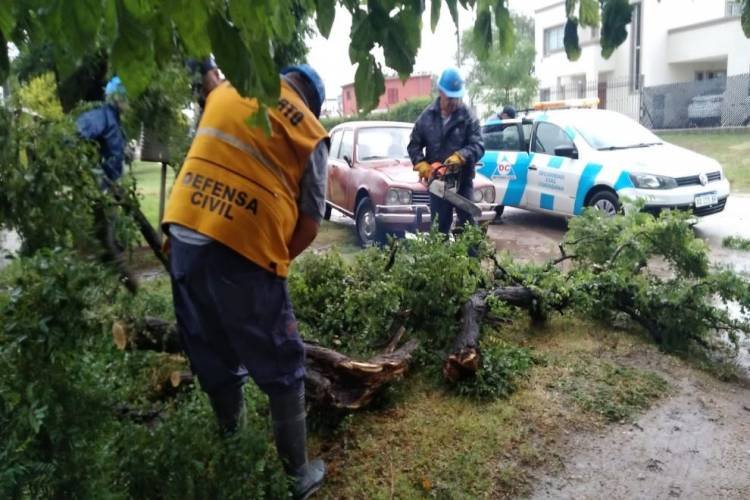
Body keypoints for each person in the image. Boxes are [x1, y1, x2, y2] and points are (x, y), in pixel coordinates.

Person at [161, 63, 329, 500]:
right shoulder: (308, 129)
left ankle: (235, 449)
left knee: (210, 348)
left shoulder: (229, 90)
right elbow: (310, 224)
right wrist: (271, 261)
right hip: (241, 243)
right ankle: (297, 475)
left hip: (182, 233)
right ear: (312, 101)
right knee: (282, 359)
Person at [76, 76, 137, 292]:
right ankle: (124, 282)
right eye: (127, 97)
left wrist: (125, 154)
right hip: (99, 190)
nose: (130, 102)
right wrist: (95, 172)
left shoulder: (115, 121)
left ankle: (114, 284)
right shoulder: (100, 116)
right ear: (117, 97)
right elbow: (76, 137)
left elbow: (113, 151)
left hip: (110, 188)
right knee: (105, 238)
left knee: (109, 235)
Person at [407, 67, 484, 235]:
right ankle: (441, 261)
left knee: (469, 226)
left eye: (457, 98)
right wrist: (422, 164)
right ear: (440, 92)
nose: (453, 102)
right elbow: (414, 145)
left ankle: (472, 261)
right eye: (450, 98)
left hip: (462, 182)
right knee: (439, 227)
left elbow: (478, 145)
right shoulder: (427, 117)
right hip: (437, 183)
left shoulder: (468, 117)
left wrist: (461, 156)